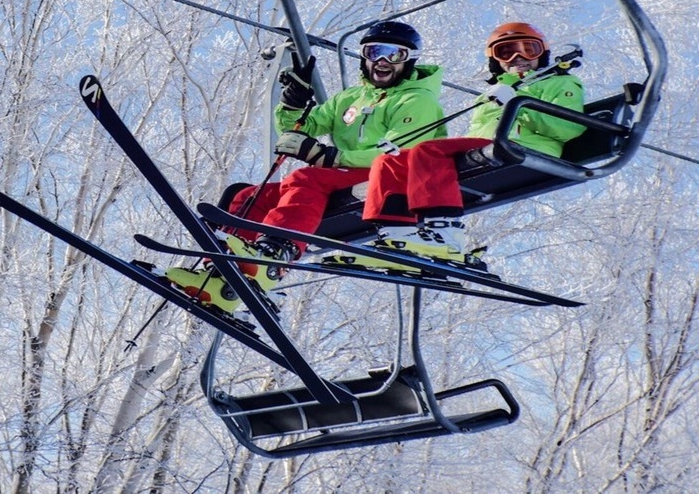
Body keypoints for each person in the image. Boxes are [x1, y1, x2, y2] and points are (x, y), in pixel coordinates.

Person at [165, 21, 447, 313]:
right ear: (364, 56)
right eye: (374, 51)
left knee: (307, 177)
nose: (382, 61)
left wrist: (330, 157)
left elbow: (400, 153)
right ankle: (220, 273)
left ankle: (275, 253)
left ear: (410, 60)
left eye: (395, 55)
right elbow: (301, 127)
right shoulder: (351, 98)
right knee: (250, 196)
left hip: (393, 177)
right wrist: (292, 104)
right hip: (347, 174)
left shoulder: (417, 100)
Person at [347, 22, 585, 271]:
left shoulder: (561, 83)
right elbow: (476, 133)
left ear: (542, 54)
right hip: (490, 150)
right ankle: (398, 235)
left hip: (523, 148)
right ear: (495, 60)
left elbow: (569, 128)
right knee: (392, 160)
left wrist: (519, 105)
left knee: (428, 149)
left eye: (528, 49)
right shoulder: (494, 93)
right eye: (506, 52)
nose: (517, 58)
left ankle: (445, 234)